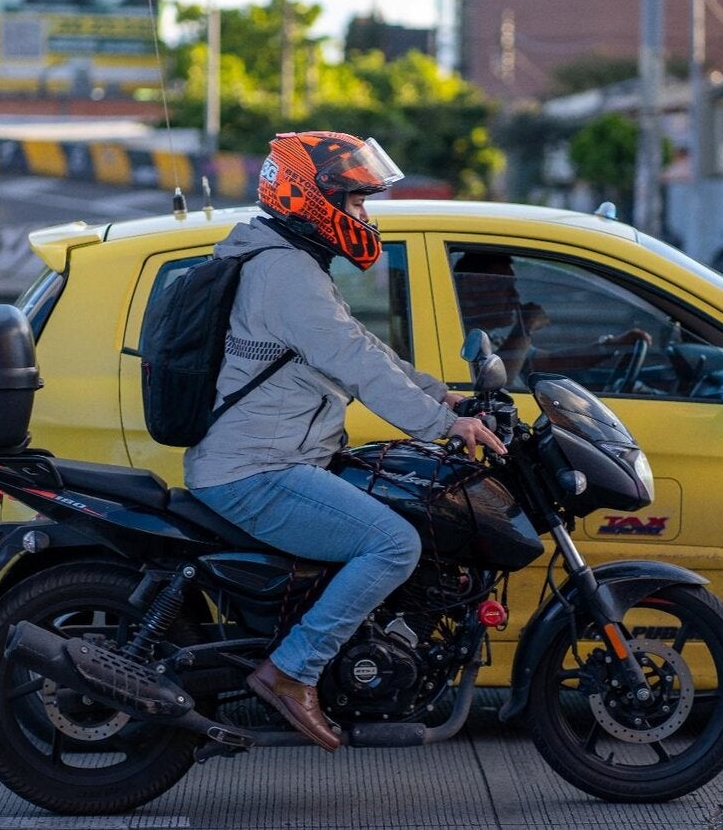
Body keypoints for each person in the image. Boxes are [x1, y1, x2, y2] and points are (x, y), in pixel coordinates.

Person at [184, 131, 506, 752]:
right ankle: (290, 673)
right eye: (356, 203)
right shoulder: (282, 270)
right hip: (255, 467)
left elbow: (356, 344)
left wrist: (440, 394)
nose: (365, 216)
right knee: (392, 543)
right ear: (313, 199)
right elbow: (353, 359)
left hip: (273, 456)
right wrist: (444, 426)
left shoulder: (289, 259)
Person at [452, 251, 651, 385]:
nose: (515, 297)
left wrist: (611, 345)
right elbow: (501, 381)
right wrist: (524, 328)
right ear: (471, 287)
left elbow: (550, 361)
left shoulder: (490, 338)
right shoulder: (460, 336)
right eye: (504, 287)